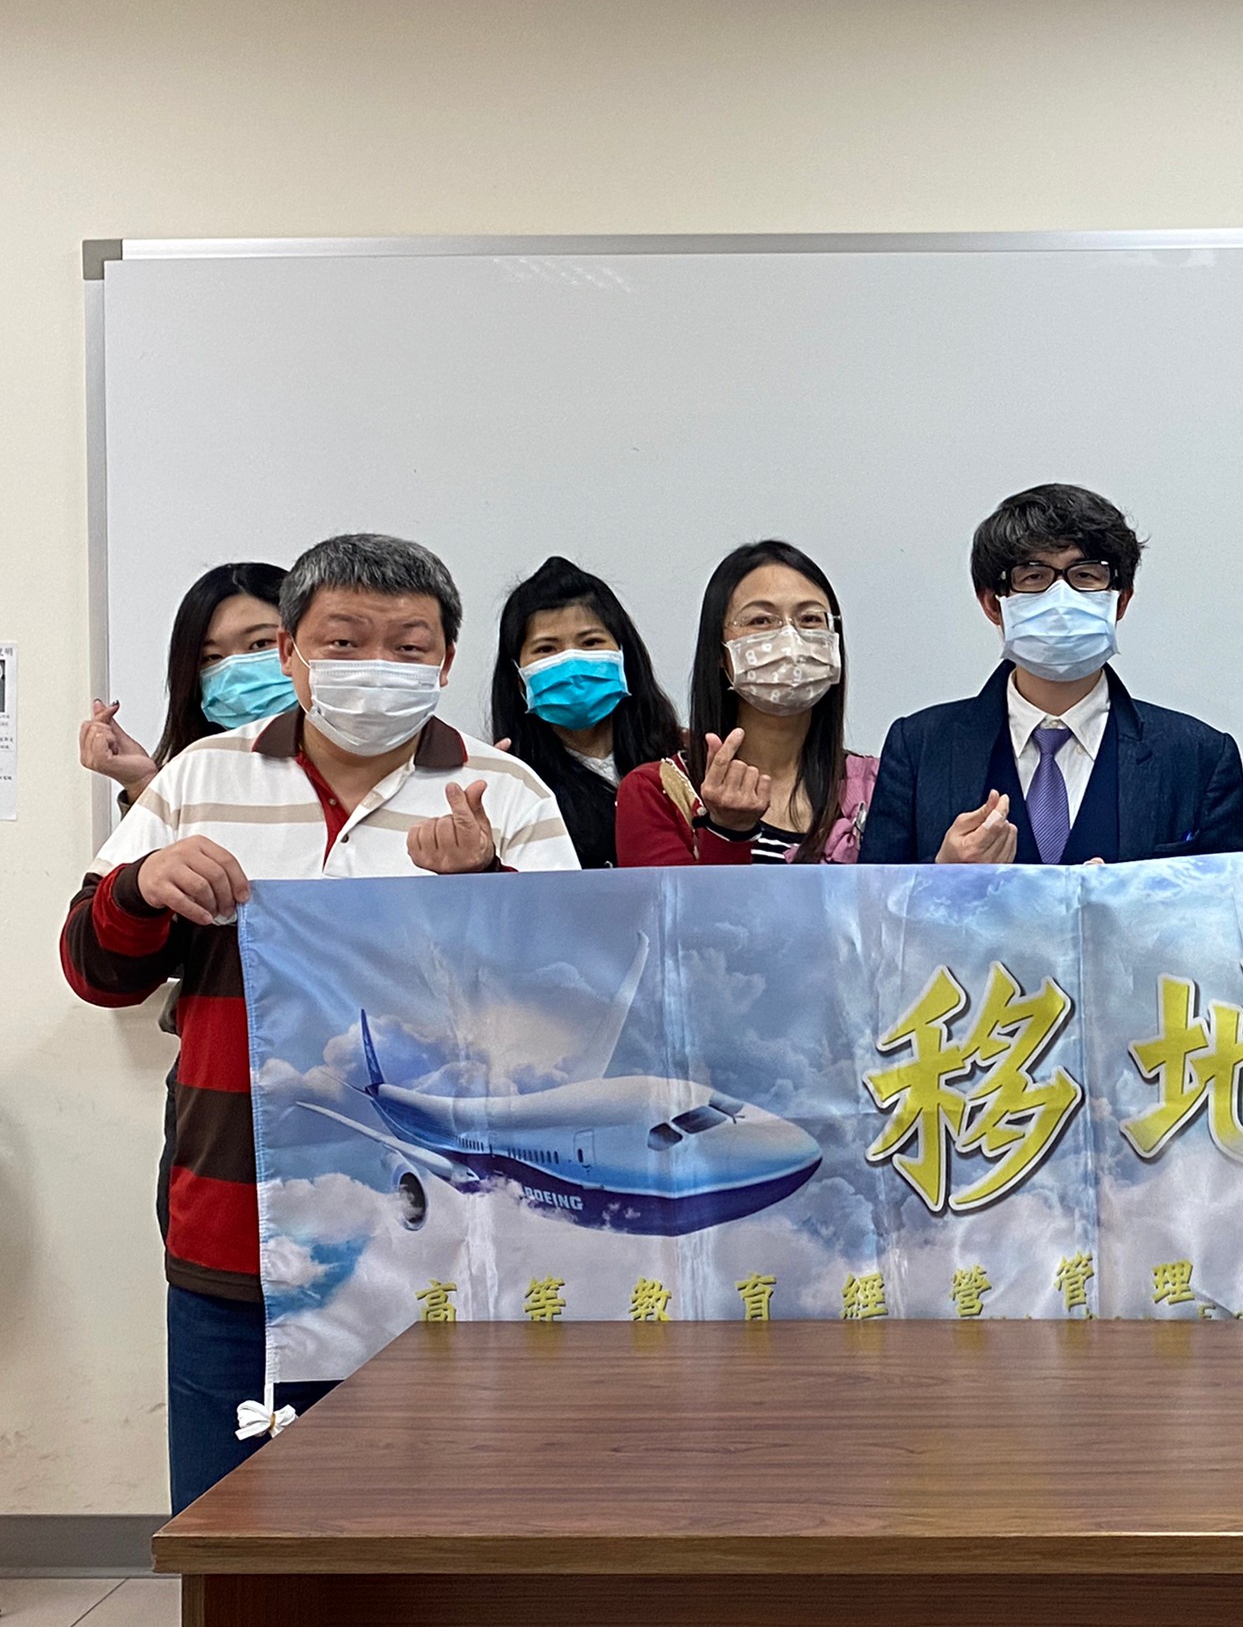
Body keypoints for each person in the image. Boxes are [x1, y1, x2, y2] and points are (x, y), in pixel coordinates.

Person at [58, 532, 579, 1514]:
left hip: (448, 1237)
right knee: (239, 1529)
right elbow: (96, 972)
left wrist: (487, 890)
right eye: (344, 640)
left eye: (408, 645)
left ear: (446, 662)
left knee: (443, 1527)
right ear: (291, 653)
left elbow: (570, 1013)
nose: (377, 664)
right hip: (238, 1234)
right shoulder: (201, 777)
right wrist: (141, 885)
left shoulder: (503, 793)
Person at [862, 483, 1243, 865]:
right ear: (992, 604)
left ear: (1121, 601)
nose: (1061, 600)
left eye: (1086, 575)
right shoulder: (918, 747)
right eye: (1033, 576)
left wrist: (1134, 900)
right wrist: (944, 877)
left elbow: (1231, 902)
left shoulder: (1200, 756)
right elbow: (873, 902)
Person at [614, 540, 875, 865]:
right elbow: (677, 901)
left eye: (810, 619)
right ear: (719, 650)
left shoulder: (877, 786)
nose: (791, 640)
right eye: (761, 621)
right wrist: (727, 831)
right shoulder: (657, 791)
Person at [492, 556, 684, 868]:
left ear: (624, 656)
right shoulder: (511, 782)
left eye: (591, 642)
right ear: (518, 678)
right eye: (546, 649)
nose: (572, 663)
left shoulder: (685, 758)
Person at [79, 562, 294, 810]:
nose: (235, 670)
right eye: (211, 657)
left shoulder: (334, 765)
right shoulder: (192, 777)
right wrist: (143, 787)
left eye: (260, 644)